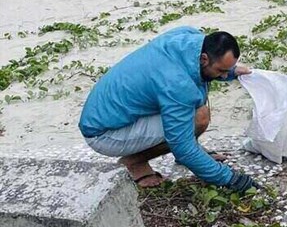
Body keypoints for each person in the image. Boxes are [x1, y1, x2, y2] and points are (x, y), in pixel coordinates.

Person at [79, 27, 259, 192]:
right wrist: (230, 179)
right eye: (221, 70)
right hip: (104, 134)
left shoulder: (187, 36)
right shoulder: (178, 85)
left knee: (198, 113)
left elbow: (200, 71)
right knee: (195, 120)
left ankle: (186, 155)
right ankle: (133, 162)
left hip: (113, 113)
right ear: (204, 59)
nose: (225, 75)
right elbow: (181, 145)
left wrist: (232, 72)